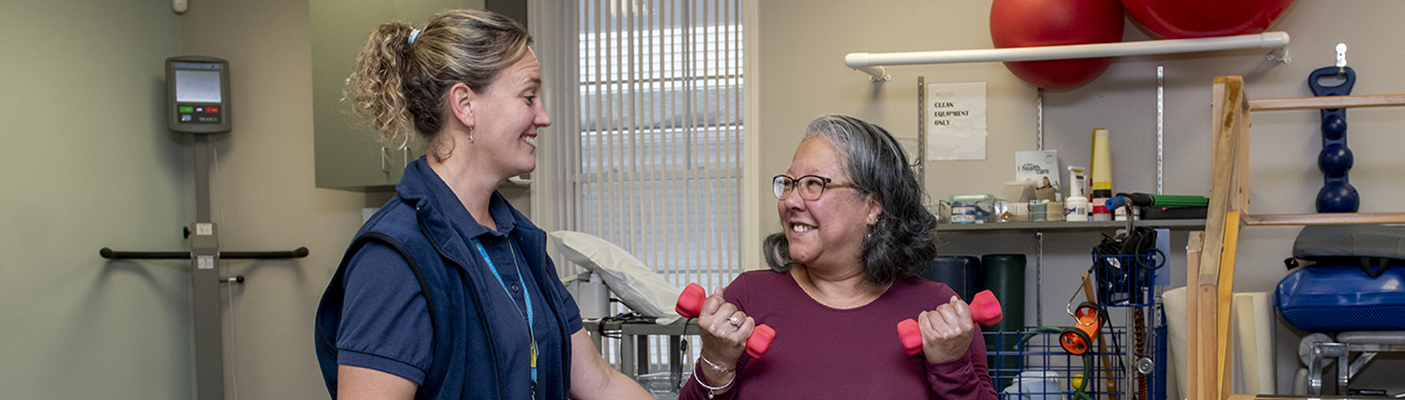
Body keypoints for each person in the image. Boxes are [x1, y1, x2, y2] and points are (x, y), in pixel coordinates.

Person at [313, 9, 651, 400]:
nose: (544, 117)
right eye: (528, 97)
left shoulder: (518, 241)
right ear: (465, 104)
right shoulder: (394, 259)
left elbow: (601, 384)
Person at [680, 115, 998, 399]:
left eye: (814, 184)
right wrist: (717, 364)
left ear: (874, 206)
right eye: (789, 183)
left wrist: (952, 367)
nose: (791, 200)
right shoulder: (747, 298)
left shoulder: (941, 312)